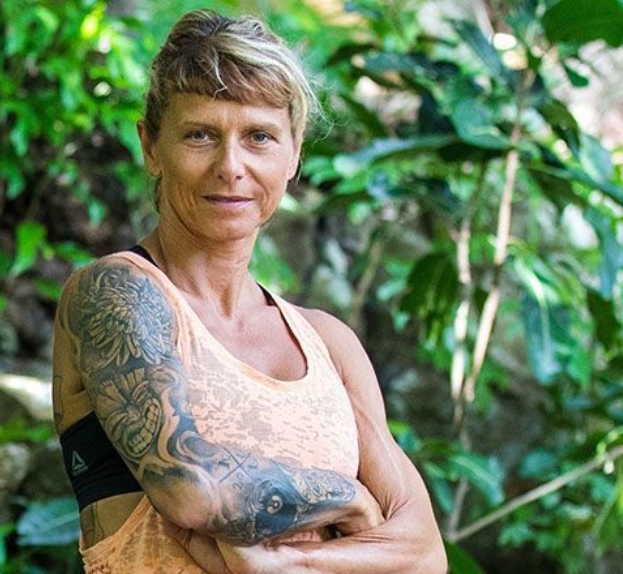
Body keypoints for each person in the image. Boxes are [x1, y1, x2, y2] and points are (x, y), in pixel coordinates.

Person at [52, 8, 447, 573]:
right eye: (200, 135)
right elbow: (192, 491)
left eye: (259, 137)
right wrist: (349, 498)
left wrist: (288, 567)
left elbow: (426, 555)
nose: (230, 166)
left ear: (294, 153)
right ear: (151, 147)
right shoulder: (117, 293)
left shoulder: (328, 343)